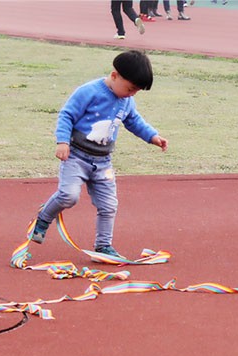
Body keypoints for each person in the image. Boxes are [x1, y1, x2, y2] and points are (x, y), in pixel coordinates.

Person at [31, 50, 169, 259]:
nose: (132, 94)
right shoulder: (89, 92)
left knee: (109, 205)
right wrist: (62, 141)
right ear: (115, 75)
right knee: (68, 196)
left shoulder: (127, 101)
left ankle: (103, 246)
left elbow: (134, 121)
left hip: (103, 163)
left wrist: (153, 137)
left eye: (136, 91)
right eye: (130, 88)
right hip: (76, 157)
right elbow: (67, 115)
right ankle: (44, 217)